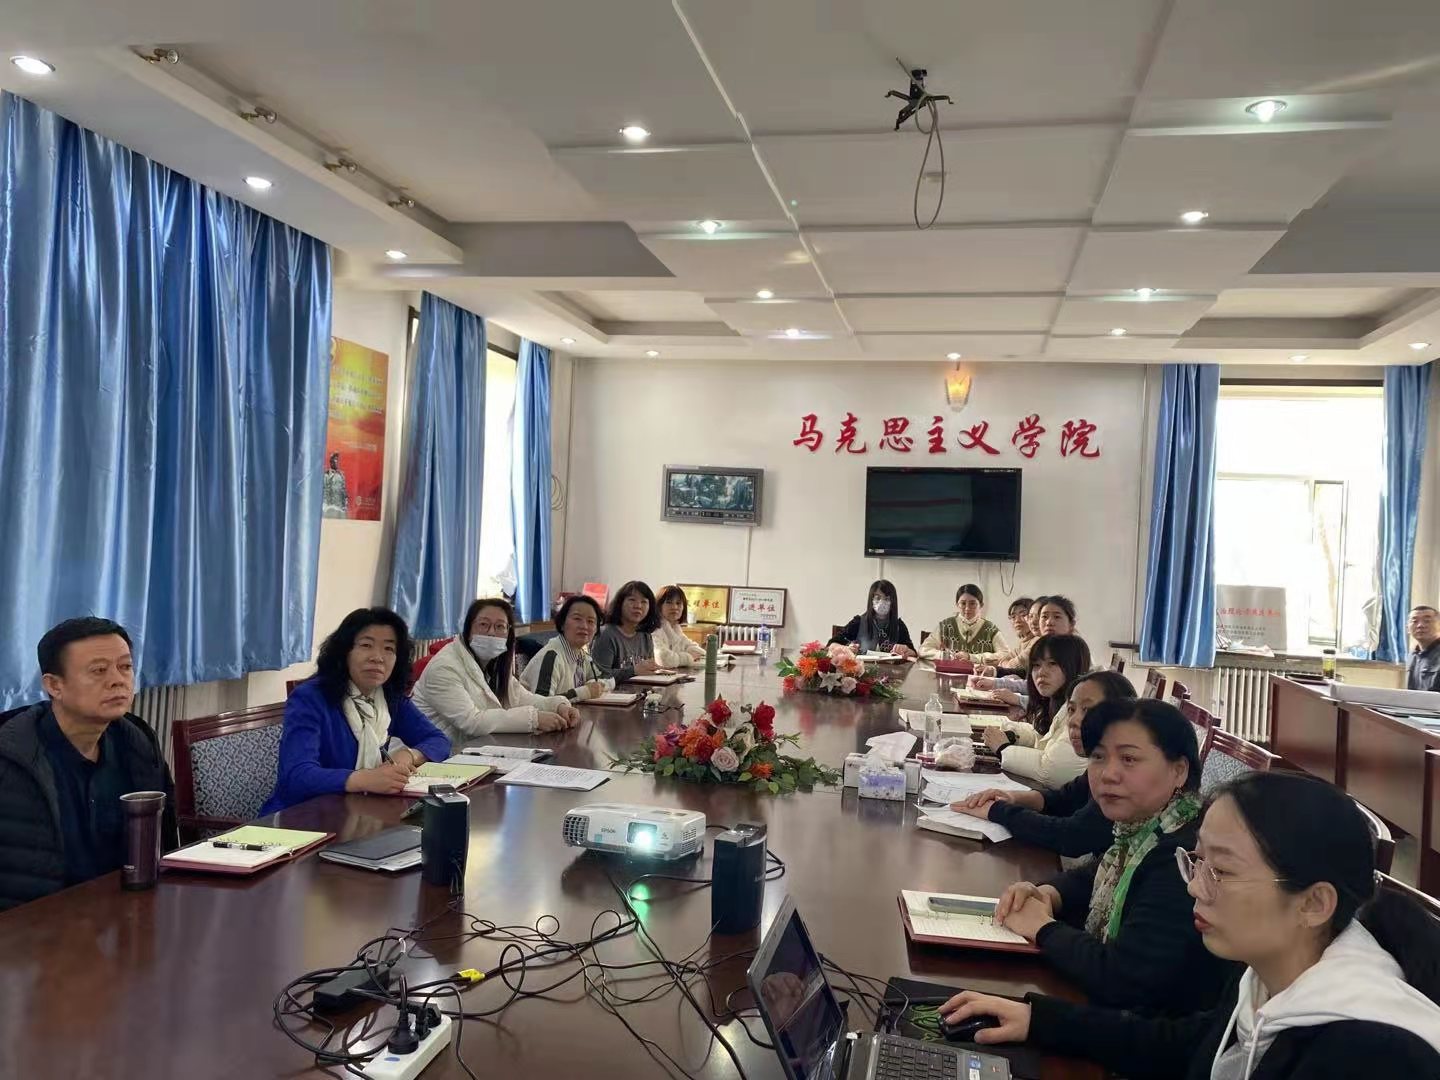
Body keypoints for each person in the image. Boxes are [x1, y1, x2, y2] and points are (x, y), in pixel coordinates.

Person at [941, 771, 1440, 1078]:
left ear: (1313, 903)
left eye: (1221, 872)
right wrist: (1039, 1020)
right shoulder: (1272, 970)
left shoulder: (1372, 1055)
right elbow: (1185, 1045)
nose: (1196, 888)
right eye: (1196, 862)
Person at [962, 698, 1234, 1013]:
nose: (1108, 774)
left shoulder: (1185, 856)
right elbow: (1095, 873)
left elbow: (1122, 979)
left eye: (1129, 759)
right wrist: (1047, 893)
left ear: (1179, 770)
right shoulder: (1142, 831)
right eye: (1098, 756)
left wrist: (1043, 928)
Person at [0, 618, 178, 912]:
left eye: (125, 667)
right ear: (54, 685)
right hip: (36, 926)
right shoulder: (12, 757)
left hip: (126, 912)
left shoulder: (137, 742)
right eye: (98, 671)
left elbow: (165, 841)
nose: (118, 680)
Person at [260, 607, 450, 815]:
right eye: (366, 645)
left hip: (360, 812)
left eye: (389, 649)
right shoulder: (310, 698)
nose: (378, 657)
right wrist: (363, 779)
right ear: (345, 652)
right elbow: (297, 776)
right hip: (300, 818)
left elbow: (438, 740)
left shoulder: (388, 698)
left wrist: (408, 755)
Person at [952, 671, 1135, 857]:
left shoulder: (1121, 775)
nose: (1073, 721)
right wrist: (1011, 797)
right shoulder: (1100, 763)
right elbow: (1064, 799)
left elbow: (1071, 837)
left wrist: (997, 811)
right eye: (1071, 710)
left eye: (1088, 710)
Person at [413, 598, 581, 746]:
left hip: (471, 750)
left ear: (509, 633)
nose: (492, 633)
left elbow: (521, 698)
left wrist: (558, 706)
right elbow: (471, 721)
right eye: (484, 625)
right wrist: (534, 719)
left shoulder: (493, 664)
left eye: (500, 626)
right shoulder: (444, 667)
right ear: (468, 629)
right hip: (426, 758)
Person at [980, 634, 1093, 787]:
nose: (1041, 672)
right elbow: (1043, 738)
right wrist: (1012, 735)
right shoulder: (1055, 701)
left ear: (1074, 666)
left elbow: (1052, 771)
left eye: (1052, 663)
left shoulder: (1082, 711)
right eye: (1036, 665)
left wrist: (1003, 749)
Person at [521, 595, 614, 701]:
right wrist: (584, 692)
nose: (584, 626)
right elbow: (542, 703)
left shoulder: (582, 656)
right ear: (562, 624)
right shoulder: (551, 656)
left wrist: (595, 685)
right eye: (577, 619)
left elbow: (605, 678)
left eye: (591, 621)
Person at [591, 581, 664, 682]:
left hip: (641, 690)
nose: (638, 606)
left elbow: (647, 671)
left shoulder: (645, 635)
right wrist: (633, 671)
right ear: (620, 603)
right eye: (632, 600)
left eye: (644, 602)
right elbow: (599, 676)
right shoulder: (606, 634)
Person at [831, 579, 916, 658]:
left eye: (887, 599)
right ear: (871, 600)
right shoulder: (858, 622)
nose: (882, 602)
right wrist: (846, 649)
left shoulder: (899, 625)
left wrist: (905, 650)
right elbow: (831, 644)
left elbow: (913, 653)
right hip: (863, 668)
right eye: (878, 598)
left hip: (892, 669)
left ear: (893, 602)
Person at [919, 584, 1003, 659]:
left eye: (972, 604)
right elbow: (923, 649)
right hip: (949, 671)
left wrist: (971, 657)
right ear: (957, 604)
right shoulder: (945, 626)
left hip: (980, 671)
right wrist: (943, 655)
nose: (967, 608)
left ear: (981, 605)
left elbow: (1004, 654)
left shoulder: (990, 629)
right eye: (963, 603)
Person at [978, 596, 1044, 669]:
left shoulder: (1038, 641)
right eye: (1013, 617)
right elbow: (1005, 658)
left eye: (1023, 615)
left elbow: (1014, 666)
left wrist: (1001, 663)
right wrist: (1000, 662)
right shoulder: (1023, 643)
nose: (1017, 620)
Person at [653, 585, 706, 668]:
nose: (674, 607)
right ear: (659, 606)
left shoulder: (675, 628)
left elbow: (698, 651)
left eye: (678, 603)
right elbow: (663, 659)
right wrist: (688, 657)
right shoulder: (654, 629)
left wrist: (679, 656)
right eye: (669, 602)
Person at [1407, 605, 1440, 692]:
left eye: (1427, 621)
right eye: (1414, 621)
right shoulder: (1412, 655)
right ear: (1407, 628)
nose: (1420, 625)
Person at [322, 451, 349, 518]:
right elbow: (324, 491)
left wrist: (345, 506)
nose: (336, 462)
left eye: (337, 459)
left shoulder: (341, 475)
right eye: (335, 459)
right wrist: (325, 507)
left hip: (340, 509)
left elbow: (344, 492)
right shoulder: (326, 475)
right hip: (329, 508)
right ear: (331, 462)